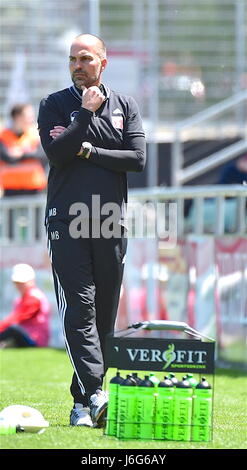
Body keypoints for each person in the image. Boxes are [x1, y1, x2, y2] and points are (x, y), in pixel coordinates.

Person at [37, 33, 146, 428]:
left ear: (103, 61)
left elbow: (136, 159)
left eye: (85, 58)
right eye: (72, 60)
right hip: (66, 220)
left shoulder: (125, 105)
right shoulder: (54, 104)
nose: (77, 65)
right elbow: (56, 153)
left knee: (103, 313)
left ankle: (82, 404)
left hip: (110, 220)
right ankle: (98, 392)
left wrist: (85, 147)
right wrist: (83, 116)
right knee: (79, 305)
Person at [0, 103, 47, 196]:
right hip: (10, 189)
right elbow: (7, 158)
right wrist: (29, 153)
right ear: (17, 117)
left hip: (35, 188)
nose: (32, 119)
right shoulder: (3, 136)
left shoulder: (35, 135)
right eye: (28, 116)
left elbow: (42, 156)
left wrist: (20, 153)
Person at [0, 264, 50, 348]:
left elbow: (16, 319)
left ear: (32, 281)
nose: (20, 285)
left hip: (34, 341)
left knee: (13, 329)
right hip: (26, 337)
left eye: (23, 282)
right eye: (17, 283)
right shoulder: (22, 298)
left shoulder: (34, 298)